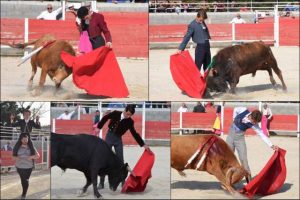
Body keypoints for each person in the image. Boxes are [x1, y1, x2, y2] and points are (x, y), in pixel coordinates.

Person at [97, 105, 152, 189]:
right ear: (124, 110)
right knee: (104, 159)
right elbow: (105, 118)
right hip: (109, 136)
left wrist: (143, 144)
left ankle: (123, 182)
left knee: (121, 161)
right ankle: (101, 182)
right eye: (127, 114)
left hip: (118, 139)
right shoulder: (115, 113)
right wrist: (99, 127)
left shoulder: (130, 122)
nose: (128, 116)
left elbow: (134, 133)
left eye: (130, 115)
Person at [226, 107, 279, 183]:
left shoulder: (254, 125)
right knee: (228, 159)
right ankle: (227, 181)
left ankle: (249, 183)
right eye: (254, 121)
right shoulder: (243, 110)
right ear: (250, 116)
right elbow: (235, 109)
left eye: (256, 122)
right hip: (230, 136)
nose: (254, 123)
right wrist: (234, 117)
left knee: (244, 160)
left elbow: (262, 135)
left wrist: (271, 145)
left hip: (239, 138)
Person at [13, 133, 40, 199]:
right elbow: (13, 157)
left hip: (29, 167)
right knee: (24, 180)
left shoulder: (31, 147)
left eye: (27, 139)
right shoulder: (16, 147)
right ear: (21, 140)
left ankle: (24, 192)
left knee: (25, 180)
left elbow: (38, 156)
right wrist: (17, 158)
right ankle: (24, 194)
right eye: (24, 140)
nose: (25, 141)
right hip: (19, 167)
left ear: (28, 139)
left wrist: (31, 157)